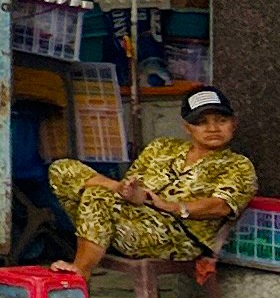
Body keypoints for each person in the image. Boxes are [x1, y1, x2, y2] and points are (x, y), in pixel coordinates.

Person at [48, 87, 256, 280]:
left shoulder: (238, 165)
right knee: (63, 169)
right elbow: (134, 182)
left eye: (221, 121)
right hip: (134, 215)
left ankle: (80, 271)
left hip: (178, 236)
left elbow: (221, 206)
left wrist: (172, 207)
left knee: (96, 196)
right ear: (187, 127)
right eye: (202, 122)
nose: (213, 128)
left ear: (233, 124)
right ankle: (109, 207)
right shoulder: (162, 147)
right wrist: (130, 192)